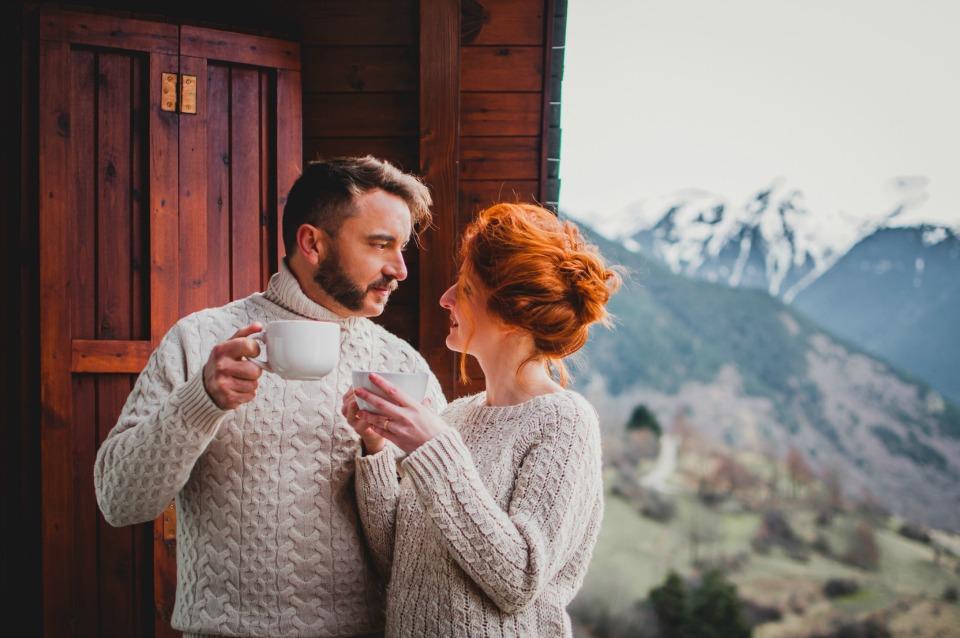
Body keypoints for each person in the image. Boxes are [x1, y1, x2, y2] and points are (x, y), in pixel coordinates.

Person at [94, 156, 446, 638]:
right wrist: (201, 402)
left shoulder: (403, 366)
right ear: (312, 243)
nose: (400, 269)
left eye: (402, 248)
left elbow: (429, 547)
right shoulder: (200, 340)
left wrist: (377, 452)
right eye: (380, 244)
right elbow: (119, 500)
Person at [343, 202, 621, 637]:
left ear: (512, 316)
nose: (445, 298)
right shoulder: (454, 417)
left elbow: (518, 579)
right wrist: (375, 449)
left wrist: (436, 451)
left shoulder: (565, 423)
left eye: (466, 289)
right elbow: (396, 559)